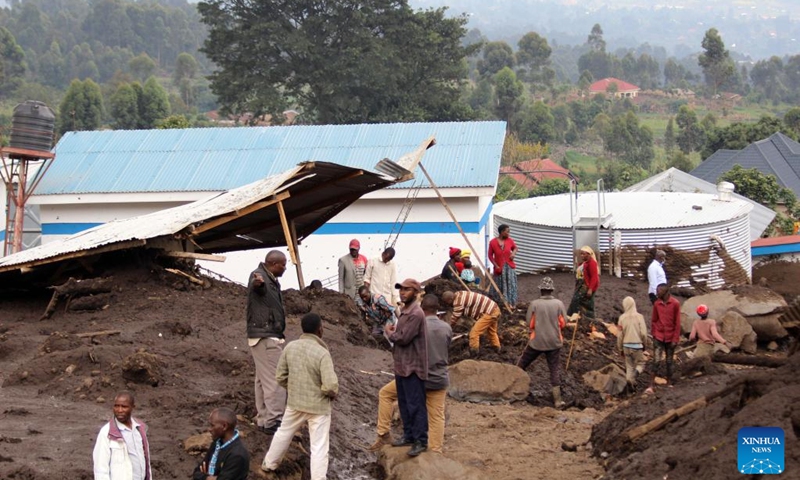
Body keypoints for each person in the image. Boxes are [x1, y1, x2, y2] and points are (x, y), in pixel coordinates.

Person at [368, 294, 452, 454]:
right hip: (439, 379)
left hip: (416, 378)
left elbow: (400, 344)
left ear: (422, 308)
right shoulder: (446, 328)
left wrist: (389, 333)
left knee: (385, 394)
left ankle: (383, 433)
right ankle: (435, 451)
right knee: (437, 416)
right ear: (437, 310)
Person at [261, 313, 339, 480]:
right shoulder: (322, 353)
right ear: (320, 330)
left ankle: (269, 463)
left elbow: (280, 376)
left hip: (295, 403)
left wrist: (294, 388)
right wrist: (330, 394)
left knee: (283, 432)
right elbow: (331, 385)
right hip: (319, 408)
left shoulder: (290, 347)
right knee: (319, 446)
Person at [384, 278, 428, 457]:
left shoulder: (416, 313)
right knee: (404, 403)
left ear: (416, 293)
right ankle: (409, 435)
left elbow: (403, 338)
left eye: (407, 290)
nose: (402, 292)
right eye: (401, 289)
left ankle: (421, 441)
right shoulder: (405, 311)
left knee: (415, 404)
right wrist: (397, 329)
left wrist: (390, 332)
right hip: (402, 365)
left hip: (413, 367)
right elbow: (403, 332)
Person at [247, 250, 288, 435]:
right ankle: (273, 420)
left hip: (264, 333)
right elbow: (258, 287)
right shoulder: (260, 277)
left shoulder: (268, 277)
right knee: (275, 378)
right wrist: (258, 284)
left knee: (262, 379)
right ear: (273, 263)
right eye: (283, 264)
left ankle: (264, 418)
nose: (285, 268)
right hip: (266, 334)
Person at [516, 277, 567, 409]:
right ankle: (557, 400)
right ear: (551, 290)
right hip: (554, 342)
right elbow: (563, 323)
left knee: (522, 363)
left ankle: (512, 388)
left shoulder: (534, 304)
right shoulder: (559, 304)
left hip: (536, 342)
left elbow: (530, 324)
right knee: (554, 369)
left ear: (541, 290)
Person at [93, 392, 152, 480]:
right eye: (116, 406)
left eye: (124, 407)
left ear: (133, 407)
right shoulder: (107, 433)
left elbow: (146, 461)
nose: (119, 410)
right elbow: (100, 469)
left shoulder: (139, 429)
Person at [193, 408, 249, 480]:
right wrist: (210, 478)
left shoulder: (237, 455)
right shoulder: (217, 443)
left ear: (224, 426)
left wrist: (205, 477)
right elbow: (197, 473)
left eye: (212, 425)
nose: (209, 429)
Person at [442, 289, 501, 355]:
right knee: (491, 331)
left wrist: (448, 329)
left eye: (447, 302)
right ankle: (496, 348)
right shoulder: (459, 293)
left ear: (450, 299)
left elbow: (455, 318)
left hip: (489, 312)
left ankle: (474, 352)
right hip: (494, 309)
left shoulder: (458, 302)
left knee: (474, 332)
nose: (448, 304)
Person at [648, 283, 681, 392]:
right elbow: (654, 320)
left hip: (670, 336)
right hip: (659, 336)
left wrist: (675, 339)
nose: (657, 293)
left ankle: (669, 382)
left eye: (659, 291)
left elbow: (677, 323)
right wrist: (654, 334)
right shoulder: (657, 304)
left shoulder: (675, 304)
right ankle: (651, 384)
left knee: (669, 361)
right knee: (656, 360)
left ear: (666, 291)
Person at [617, 296, 648, 390]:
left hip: (626, 345)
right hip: (637, 345)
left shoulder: (621, 318)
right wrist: (644, 345)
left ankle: (630, 385)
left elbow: (619, 336)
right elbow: (644, 333)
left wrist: (620, 349)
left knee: (629, 366)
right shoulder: (639, 317)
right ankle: (635, 374)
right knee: (641, 363)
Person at [567, 246, 600, 323]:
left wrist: (590, 289)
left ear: (589, 254)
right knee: (577, 302)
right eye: (581, 254)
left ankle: (578, 318)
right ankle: (576, 317)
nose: (581, 255)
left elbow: (594, 277)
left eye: (583, 254)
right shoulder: (585, 263)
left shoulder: (592, 263)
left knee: (579, 301)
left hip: (586, 287)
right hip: (581, 286)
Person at [488, 224, 518, 305]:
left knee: (510, 285)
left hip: (509, 268)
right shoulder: (492, 242)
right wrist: (496, 265)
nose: (509, 233)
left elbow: (515, 248)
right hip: (499, 269)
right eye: (507, 232)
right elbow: (490, 256)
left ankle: (511, 303)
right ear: (501, 232)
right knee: (499, 285)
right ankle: (499, 303)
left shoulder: (510, 240)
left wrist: (513, 254)